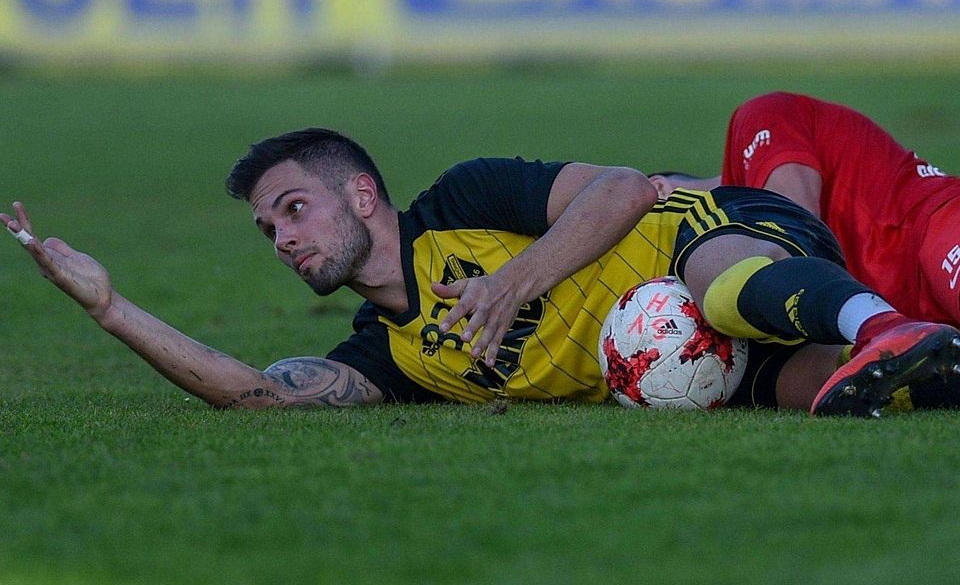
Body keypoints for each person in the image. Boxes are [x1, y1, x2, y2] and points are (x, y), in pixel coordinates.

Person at [4, 128, 960, 417]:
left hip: (711, 231)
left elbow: (626, 189)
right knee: (839, 399)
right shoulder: (393, 355)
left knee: (715, 284)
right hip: (689, 368)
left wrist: (515, 283)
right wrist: (108, 307)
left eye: (294, 208)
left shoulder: (465, 201)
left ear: (364, 195)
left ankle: (881, 323)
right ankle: (923, 368)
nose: (283, 237)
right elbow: (258, 394)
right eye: (268, 230)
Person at [648, 91, 960, 409]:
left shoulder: (758, 116)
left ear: (660, 190)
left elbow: (797, 229)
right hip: (920, 320)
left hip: (935, 225)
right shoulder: (743, 247)